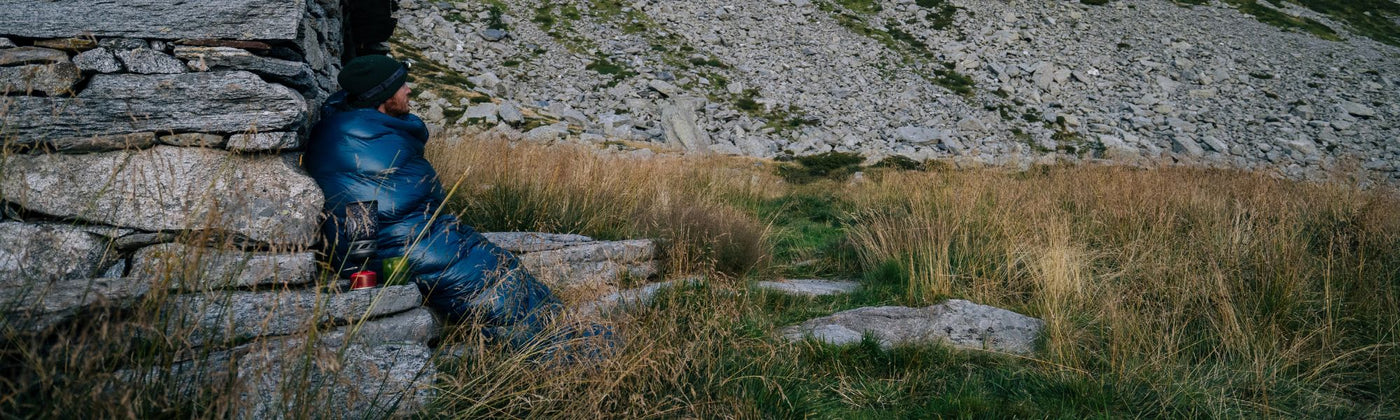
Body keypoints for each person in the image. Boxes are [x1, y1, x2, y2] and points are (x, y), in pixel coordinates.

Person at [304, 55, 587, 349]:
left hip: (420, 232)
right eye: (402, 85)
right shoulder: (352, 140)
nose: (409, 90)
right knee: (491, 287)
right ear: (384, 96)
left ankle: (559, 330)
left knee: (502, 267)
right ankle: (561, 351)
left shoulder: (362, 130)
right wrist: (363, 267)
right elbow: (362, 209)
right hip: (401, 246)